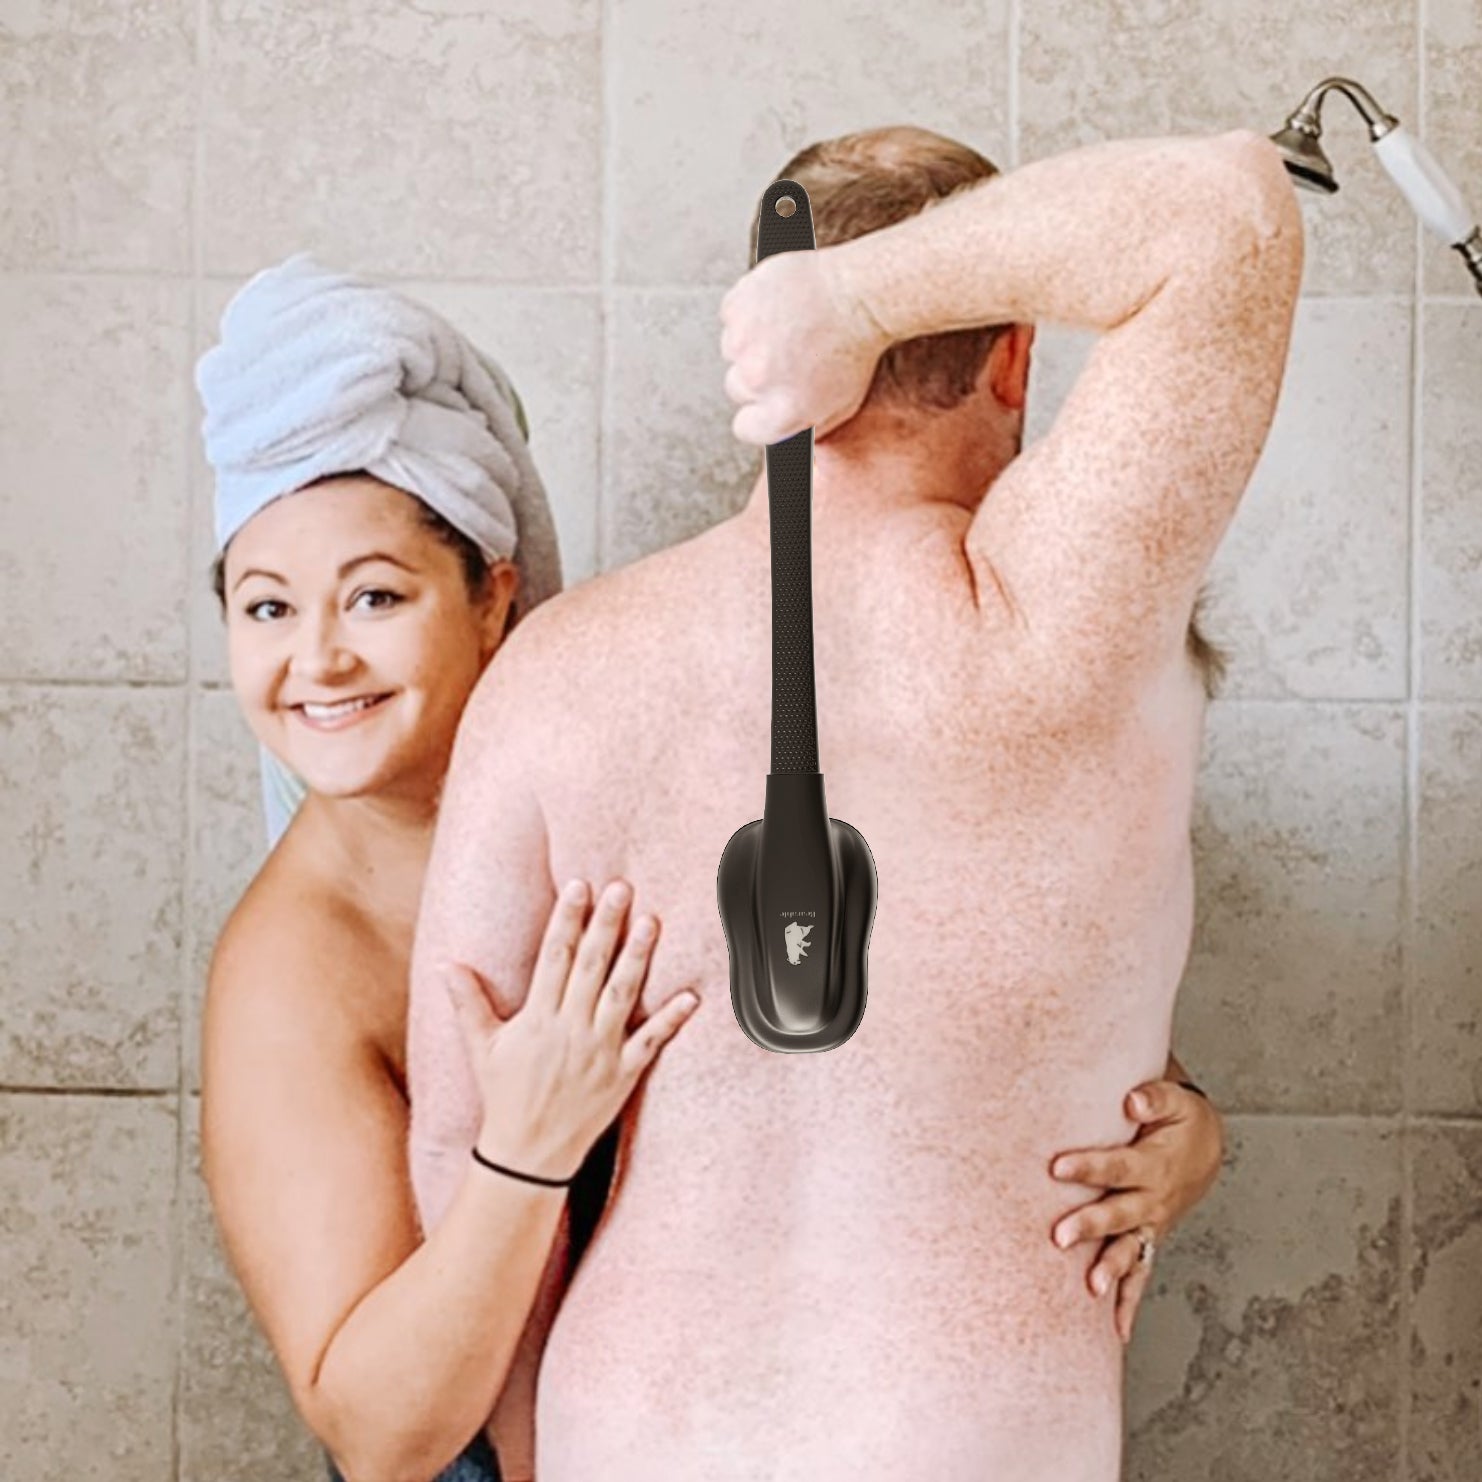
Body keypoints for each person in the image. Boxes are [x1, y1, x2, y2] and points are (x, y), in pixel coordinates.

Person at [404, 124, 1291, 1480]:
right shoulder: (1059, 619)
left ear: (758, 358)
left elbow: (460, 1139)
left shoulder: (560, 672)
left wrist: (543, 1448)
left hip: (629, 1424)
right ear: (1013, 357)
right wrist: (869, 302)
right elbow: (1227, 210)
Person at [195, 255, 701, 1482]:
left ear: (493, 597)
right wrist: (525, 1148)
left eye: (372, 596)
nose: (315, 661)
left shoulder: (639, 797)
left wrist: (1174, 1129)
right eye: (266, 609)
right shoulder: (293, 975)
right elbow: (377, 1435)